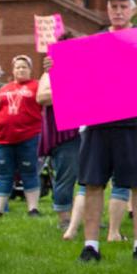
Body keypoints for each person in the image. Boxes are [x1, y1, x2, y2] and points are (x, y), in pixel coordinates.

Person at [46, 0, 137, 264]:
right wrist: (56, 68)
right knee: (93, 182)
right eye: (113, 6)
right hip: (99, 122)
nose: (118, 11)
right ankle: (90, 245)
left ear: (133, 9)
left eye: (124, 6)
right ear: (108, 9)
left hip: (135, 122)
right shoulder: (96, 40)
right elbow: (77, 79)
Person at [0, 54, 43, 216]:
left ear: (30, 70)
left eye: (24, 67)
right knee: (5, 174)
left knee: (29, 171)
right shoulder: (3, 90)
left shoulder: (37, 86)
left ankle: (33, 208)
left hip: (29, 136)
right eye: (17, 67)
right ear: (13, 70)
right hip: (2, 139)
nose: (21, 70)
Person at [36, 33, 82, 230]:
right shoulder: (49, 74)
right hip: (63, 133)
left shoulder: (83, 71)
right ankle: (64, 218)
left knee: (88, 178)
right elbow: (42, 97)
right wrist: (70, 87)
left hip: (85, 131)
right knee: (66, 175)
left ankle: (81, 217)